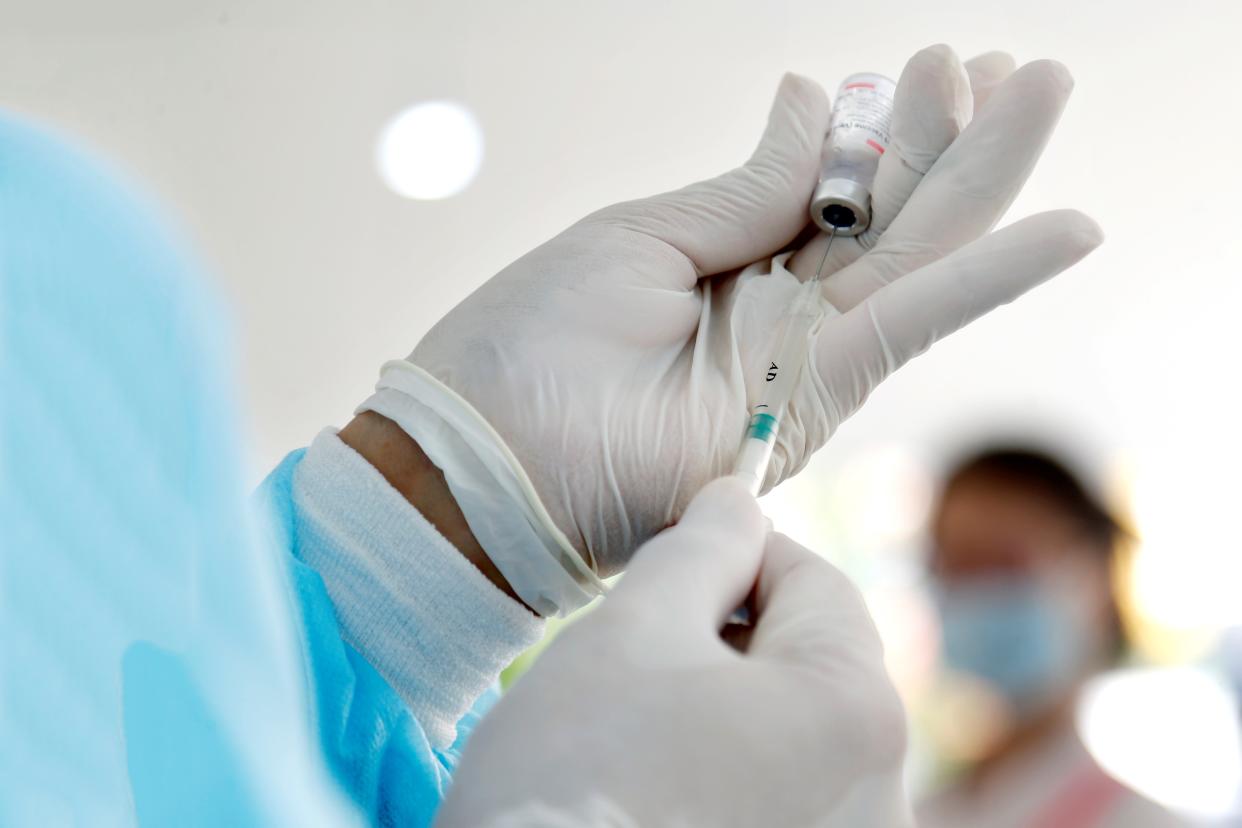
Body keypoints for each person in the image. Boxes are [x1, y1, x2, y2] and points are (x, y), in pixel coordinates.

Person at [1, 41, 1100, 827]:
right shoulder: (59, 276)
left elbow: (140, 748)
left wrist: (421, 546)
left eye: (998, 565)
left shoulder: (61, 274)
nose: (970, 602)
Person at [918, 447, 1183, 828]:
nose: (976, 593)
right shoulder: (915, 812)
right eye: (953, 566)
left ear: (1094, 583)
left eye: (1004, 564)